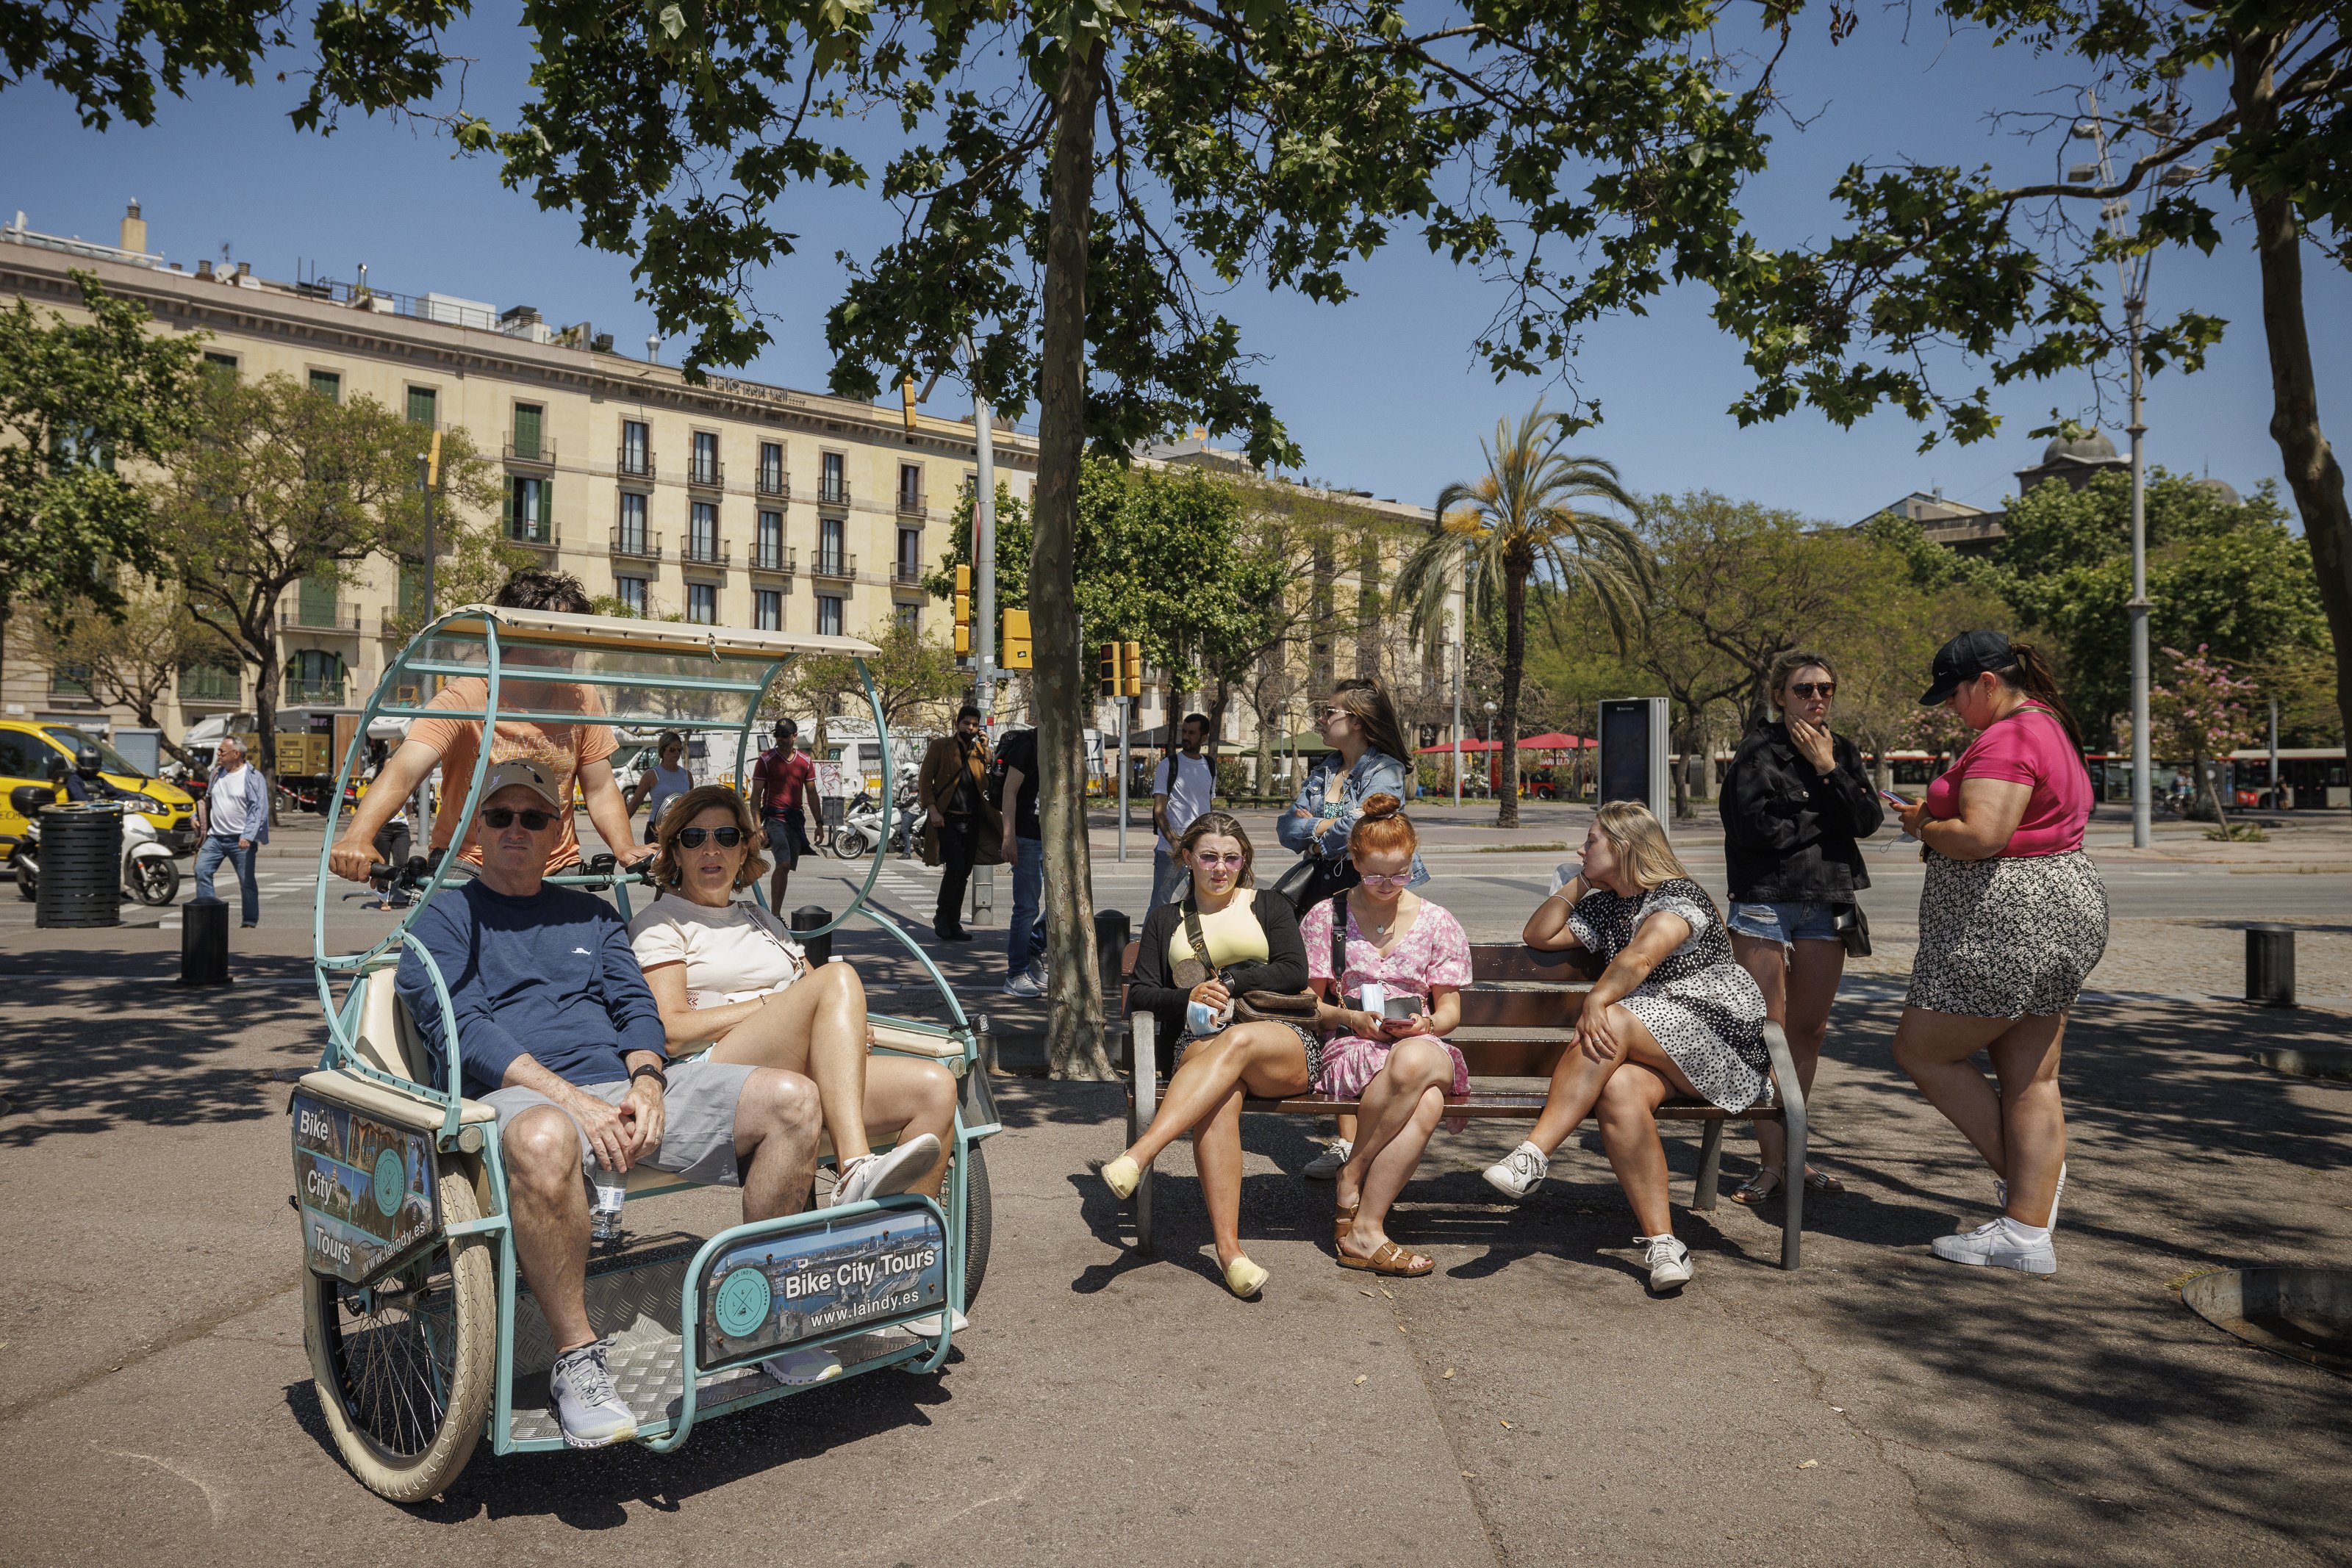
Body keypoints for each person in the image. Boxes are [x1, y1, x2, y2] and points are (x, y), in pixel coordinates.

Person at [394, 761, 829, 1445]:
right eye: (500, 816)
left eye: (533, 818)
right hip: (513, 1097)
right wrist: (575, 1101)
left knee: (794, 1102)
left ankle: (761, 1316)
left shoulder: (593, 916)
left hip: (622, 1089)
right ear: (478, 829)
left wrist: (649, 1081)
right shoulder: (443, 919)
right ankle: (577, 1360)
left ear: (556, 832)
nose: (516, 829)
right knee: (545, 1138)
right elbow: (466, 1029)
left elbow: (635, 1008)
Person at [1482, 802, 1768, 1293]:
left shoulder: (1678, 897)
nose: (1581, 847)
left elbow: (1641, 957)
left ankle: (1534, 1154)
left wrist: (1599, 997)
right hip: (1657, 1048)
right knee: (1616, 1090)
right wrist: (1577, 881)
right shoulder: (1607, 906)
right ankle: (1664, 1245)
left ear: (1624, 848)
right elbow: (1539, 934)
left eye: (1591, 841)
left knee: (1611, 1018)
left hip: (1719, 1046)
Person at [1889, 631, 2107, 1276]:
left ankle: (2032, 1194)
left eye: (1955, 695)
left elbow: (1983, 835)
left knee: (1922, 1049)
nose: (1951, 709)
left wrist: (1922, 825)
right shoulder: (2049, 724)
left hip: (2006, 917)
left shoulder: (2009, 735)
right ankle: (2026, 1230)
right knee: (2031, 1076)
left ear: (1987, 682)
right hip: (2062, 904)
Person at [1098, 812, 1316, 1298]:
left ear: (1245, 861)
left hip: (1276, 1042)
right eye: (1209, 857)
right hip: (1202, 1049)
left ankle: (1141, 1154)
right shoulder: (1164, 920)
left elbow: (1293, 970)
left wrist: (1233, 982)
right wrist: (1189, 999)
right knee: (1217, 1101)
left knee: (1235, 1043)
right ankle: (1230, 1253)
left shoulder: (1269, 905)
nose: (1221, 868)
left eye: (1232, 858)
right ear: (1188, 859)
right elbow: (1144, 996)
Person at [329, 570, 653, 885]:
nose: (572, 644)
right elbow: (404, 772)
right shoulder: (464, 698)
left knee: (597, 933)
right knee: (444, 933)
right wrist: (358, 836)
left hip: (555, 863)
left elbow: (599, 789)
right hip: (470, 860)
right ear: (516, 634)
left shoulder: (581, 698)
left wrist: (624, 848)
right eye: (559, 631)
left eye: (575, 632)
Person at [1718, 650, 1883, 1204]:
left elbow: (1867, 820)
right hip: (1765, 901)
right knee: (1766, 1033)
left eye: (1826, 689)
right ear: (1780, 696)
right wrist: (1827, 813)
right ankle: (1770, 1164)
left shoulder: (1843, 752)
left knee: (1807, 1034)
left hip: (1827, 901)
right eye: (1805, 689)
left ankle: (1795, 1158)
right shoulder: (1756, 750)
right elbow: (1756, 829)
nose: (1817, 698)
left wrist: (1828, 771)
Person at [1299, 796, 1471, 1279]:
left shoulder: (1437, 921)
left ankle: (1352, 1173)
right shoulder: (1326, 917)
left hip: (1423, 1043)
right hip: (1354, 1046)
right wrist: (1350, 1018)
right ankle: (1367, 1229)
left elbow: (1451, 1010)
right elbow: (1309, 1005)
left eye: (1400, 874)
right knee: (1428, 1101)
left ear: (1413, 861)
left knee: (1416, 1060)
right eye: (1375, 876)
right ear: (1354, 862)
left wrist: (1427, 1023)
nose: (1388, 886)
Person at [1277, 677, 1425, 1179]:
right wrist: (1321, 830)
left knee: (1369, 1001)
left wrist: (1316, 827)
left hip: (1373, 892)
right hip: (1326, 894)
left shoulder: (1382, 769)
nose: (1321, 717)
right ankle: (1346, 1142)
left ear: (1357, 720)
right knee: (1335, 1008)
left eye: (1328, 709)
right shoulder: (1326, 769)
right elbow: (1285, 828)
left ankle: (1367, 1133)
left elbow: (1364, 831)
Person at [917, 705, 998, 943]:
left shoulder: (979, 750)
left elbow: (989, 776)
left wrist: (985, 748)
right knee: (954, 870)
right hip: (948, 819)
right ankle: (943, 918)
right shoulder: (941, 746)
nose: (970, 728)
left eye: (974, 725)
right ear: (958, 723)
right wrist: (932, 810)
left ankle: (954, 922)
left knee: (964, 873)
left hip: (973, 821)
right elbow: (925, 781)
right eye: (966, 724)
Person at [995, 723, 1050, 996]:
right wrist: (1009, 837)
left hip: (1055, 839)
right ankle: (1016, 974)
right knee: (1027, 908)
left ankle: (1032, 951)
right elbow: (1009, 792)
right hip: (1028, 837)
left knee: (1062, 904)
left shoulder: (1061, 743)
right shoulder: (1028, 744)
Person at [194, 734, 269, 927]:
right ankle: (209, 915)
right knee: (201, 870)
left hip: (241, 839)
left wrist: (248, 836)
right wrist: (196, 818)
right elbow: (208, 800)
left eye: (222, 751)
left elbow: (259, 809)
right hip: (216, 838)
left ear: (236, 754)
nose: (218, 754)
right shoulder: (216, 773)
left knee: (246, 882)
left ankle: (249, 921)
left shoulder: (252, 776)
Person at [1150, 713, 1217, 911]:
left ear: (1204, 737)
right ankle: (1151, 942)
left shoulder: (1210, 766)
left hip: (1201, 849)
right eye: (1184, 732)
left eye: (1192, 733)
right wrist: (1174, 842)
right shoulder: (1168, 765)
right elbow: (1159, 811)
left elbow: (1207, 807)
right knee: (1159, 904)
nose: (1186, 737)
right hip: (1170, 850)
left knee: (1201, 903)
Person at [749, 720, 817, 910]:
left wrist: (819, 823)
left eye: (784, 735)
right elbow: (755, 796)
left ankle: (776, 911)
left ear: (794, 736)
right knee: (784, 862)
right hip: (773, 816)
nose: (780, 739)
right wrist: (758, 826)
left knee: (787, 866)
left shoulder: (805, 761)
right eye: (777, 734)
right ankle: (776, 913)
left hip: (795, 818)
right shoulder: (766, 760)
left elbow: (812, 793)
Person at [364, 747, 414, 910]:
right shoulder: (377, 787)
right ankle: (383, 899)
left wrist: (405, 818)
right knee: (382, 865)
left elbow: (409, 805)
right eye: (387, 766)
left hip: (401, 828)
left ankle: (398, 894)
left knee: (401, 862)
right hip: (383, 829)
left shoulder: (405, 784)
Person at [628, 732, 692, 844]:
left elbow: (691, 805)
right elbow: (634, 804)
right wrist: (619, 829)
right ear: (662, 750)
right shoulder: (652, 775)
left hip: (680, 827)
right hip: (657, 829)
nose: (676, 753)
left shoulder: (687, 775)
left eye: (679, 749)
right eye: (672, 750)